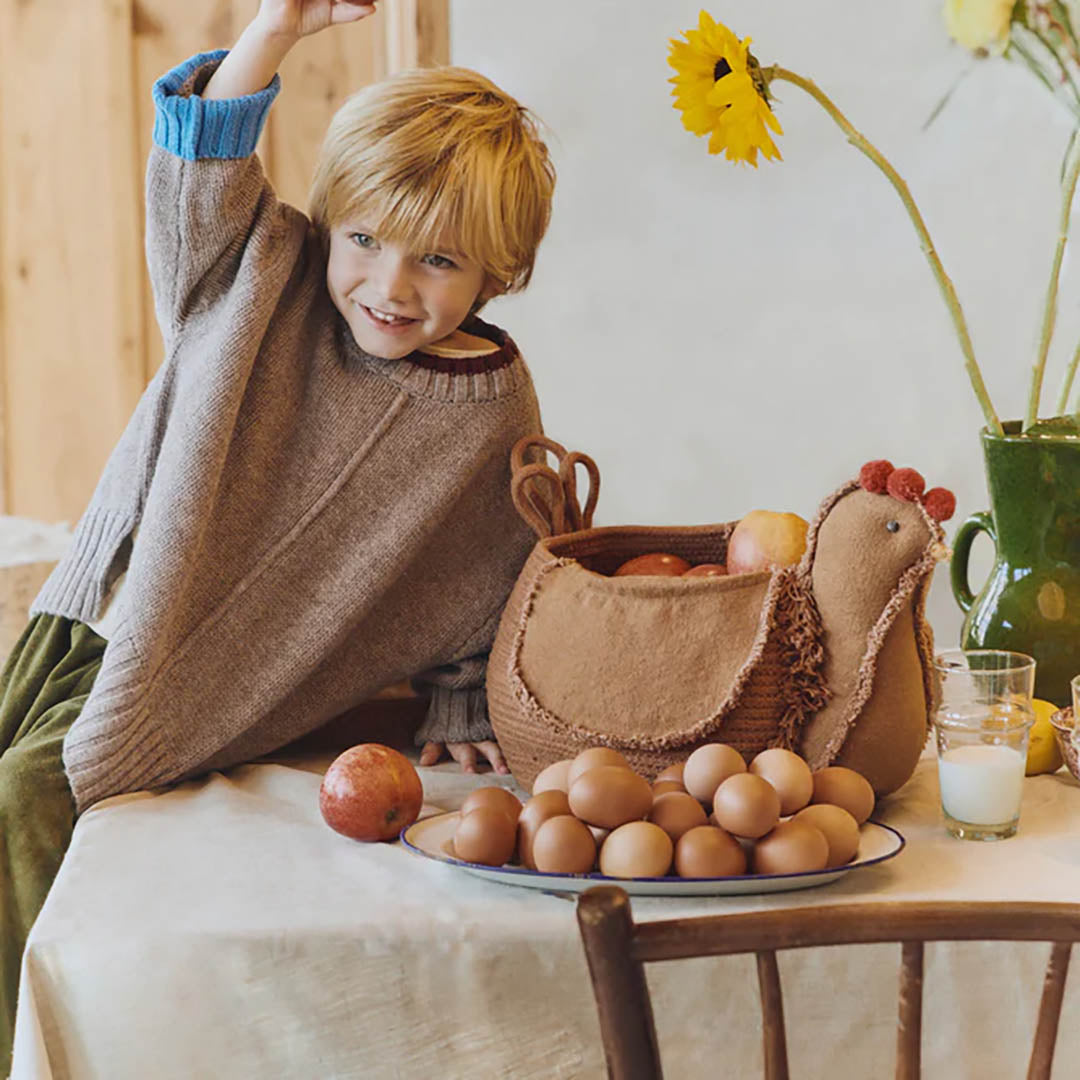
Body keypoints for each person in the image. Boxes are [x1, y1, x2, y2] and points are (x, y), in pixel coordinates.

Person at [0, 0, 555, 1067]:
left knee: (32, 796)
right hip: (106, 618)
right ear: (329, 221)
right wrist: (274, 29)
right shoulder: (256, 273)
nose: (390, 286)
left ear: (499, 271)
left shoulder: (492, 406)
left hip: (224, 679)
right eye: (366, 240)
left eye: (438, 262)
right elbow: (202, 160)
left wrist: (459, 689)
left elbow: (493, 559)